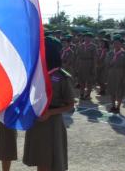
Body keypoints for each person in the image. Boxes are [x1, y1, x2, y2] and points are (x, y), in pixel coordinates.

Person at [23, 37, 75, 171]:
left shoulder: (62, 77)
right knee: (40, 158)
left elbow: (70, 105)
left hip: (52, 123)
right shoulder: (36, 72)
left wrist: (50, 113)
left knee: (50, 160)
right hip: (37, 120)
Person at [105, 35, 125, 114]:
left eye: (118, 43)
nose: (116, 45)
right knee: (112, 90)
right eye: (114, 43)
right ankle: (113, 106)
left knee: (119, 91)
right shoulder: (110, 53)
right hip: (111, 73)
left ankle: (118, 107)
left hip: (120, 74)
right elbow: (107, 64)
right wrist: (110, 63)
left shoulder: (124, 54)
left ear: (121, 44)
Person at [75, 32, 97, 100]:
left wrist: (93, 67)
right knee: (81, 80)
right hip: (81, 63)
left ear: (91, 38)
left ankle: (88, 94)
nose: (87, 38)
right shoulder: (80, 45)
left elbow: (95, 57)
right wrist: (77, 66)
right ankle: (81, 94)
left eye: (89, 37)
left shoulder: (93, 46)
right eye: (85, 37)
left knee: (89, 81)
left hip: (89, 63)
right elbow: (78, 56)